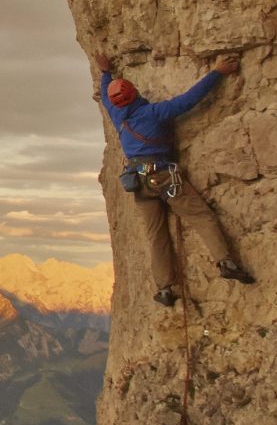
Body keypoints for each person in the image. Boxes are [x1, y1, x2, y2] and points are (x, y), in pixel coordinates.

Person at [94, 52, 252, 306]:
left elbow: (105, 95)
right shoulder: (155, 113)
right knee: (201, 216)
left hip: (138, 181)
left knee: (156, 235)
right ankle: (225, 262)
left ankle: (165, 288)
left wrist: (105, 73)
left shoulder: (117, 116)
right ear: (134, 93)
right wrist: (217, 72)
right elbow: (189, 100)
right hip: (164, 176)